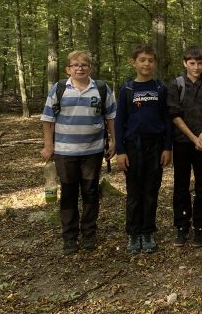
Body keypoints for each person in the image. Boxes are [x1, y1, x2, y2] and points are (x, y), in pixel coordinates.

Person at [40, 50, 117, 255]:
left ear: (90, 68)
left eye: (84, 65)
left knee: (90, 191)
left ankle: (89, 233)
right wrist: (48, 147)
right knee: (68, 192)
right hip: (65, 152)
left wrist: (114, 141)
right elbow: (48, 120)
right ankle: (69, 237)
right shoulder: (59, 90)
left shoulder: (100, 89)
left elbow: (111, 117)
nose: (80, 68)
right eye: (75, 65)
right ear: (68, 69)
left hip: (93, 151)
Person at [115, 43, 173, 254]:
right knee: (134, 192)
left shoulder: (160, 88)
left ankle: (148, 231)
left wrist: (168, 147)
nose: (146, 64)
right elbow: (119, 121)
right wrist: (120, 150)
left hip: (155, 147)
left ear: (155, 63)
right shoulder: (127, 88)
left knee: (151, 191)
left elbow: (166, 119)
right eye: (142, 60)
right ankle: (133, 233)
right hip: (132, 147)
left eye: (150, 60)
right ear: (134, 63)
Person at [167, 46, 202, 247]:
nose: (196, 67)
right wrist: (193, 137)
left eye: (199, 63)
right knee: (181, 185)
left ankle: (200, 226)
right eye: (192, 63)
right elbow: (174, 114)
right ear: (185, 63)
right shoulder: (176, 84)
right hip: (181, 142)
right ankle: (182, 226)